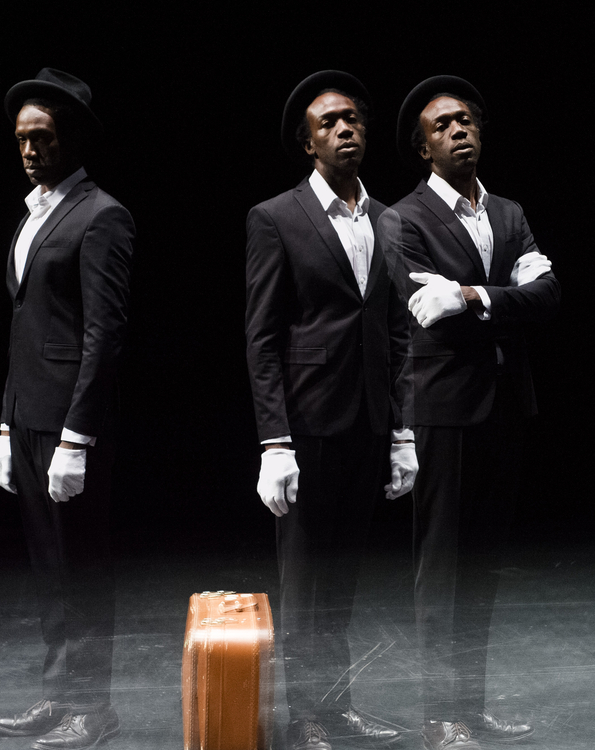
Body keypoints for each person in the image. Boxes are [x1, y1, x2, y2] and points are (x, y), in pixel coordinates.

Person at [376, 76, 560, 750]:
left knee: (481, 567)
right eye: (443, 125)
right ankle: (438, 717)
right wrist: (500, 297)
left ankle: (471, 709)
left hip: (505, 405)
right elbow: (431, 314)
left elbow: (549, 295)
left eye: (467, 120)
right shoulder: (402, 220)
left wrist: (474, 296)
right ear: (423, 147)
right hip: (444, 410)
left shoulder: (509, 213)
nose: (460, 130)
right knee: (442, 570)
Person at [244, 70, 416, 750]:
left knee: (342, 575)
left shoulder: (388, 219)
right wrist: (274, 442)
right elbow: (261, 338)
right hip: (307, 425)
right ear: (307, 141)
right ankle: (306, 716)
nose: (346, 129)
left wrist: (402, 430)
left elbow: (398, 330)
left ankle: (337, 708)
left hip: (368, 422)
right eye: (330, 122)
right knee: (305, 580)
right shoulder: (275, 217)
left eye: (354, 119)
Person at [0, 68, 134, 750]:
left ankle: (93, 708)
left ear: (72, 137)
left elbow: (105, 335)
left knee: (83, 568)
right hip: (29, 418)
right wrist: (6, 422)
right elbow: (25, 327)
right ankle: (59, 693)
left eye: (42, 137)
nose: (29, 150)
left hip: (71, 426)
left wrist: (78, 437)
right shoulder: (32, 215)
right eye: (21, 138)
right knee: (50, 569)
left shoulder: (102, 215)